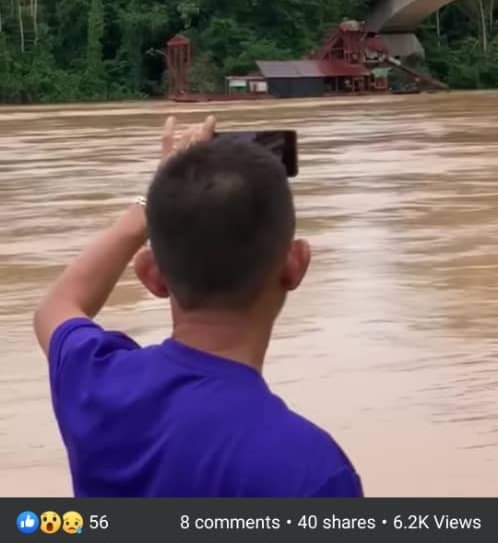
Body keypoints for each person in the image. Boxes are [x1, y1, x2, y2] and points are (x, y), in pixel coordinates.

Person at [34, 115, 362, 497]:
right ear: (296, 264)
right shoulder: (311, 471)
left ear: (151, 275)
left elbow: (56, 306)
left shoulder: (96, 382)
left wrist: (149, 202)